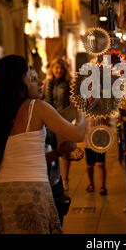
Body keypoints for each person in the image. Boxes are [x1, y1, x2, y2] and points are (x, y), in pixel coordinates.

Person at [0, 55, 86, 234]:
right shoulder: (36, 107)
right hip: (33, 191)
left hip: (3, 193)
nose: (40, 82)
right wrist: (82, 109)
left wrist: (57, 153)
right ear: (19, 85)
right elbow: (78, 133)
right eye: (33, 79)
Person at [43, 57, 81, 191]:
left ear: (64, 70)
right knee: (51, 149)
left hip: (64, 118)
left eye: (61, 68)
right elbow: (45, 100)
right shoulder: (48, 83)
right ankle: (54, 178)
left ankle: (65, 179)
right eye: (56, 68)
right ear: (52, 69)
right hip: (50, 118)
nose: (58, 70)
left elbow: (75, 99)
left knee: (64, 150)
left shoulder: (69, 83)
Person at [85, 118, 108, 195]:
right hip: (88, 141)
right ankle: (91, 184)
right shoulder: (85, 110)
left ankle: (102, 186)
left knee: (101, 164)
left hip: (101, 141)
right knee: (89, 165)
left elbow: (106, 122)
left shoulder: (103, 109)